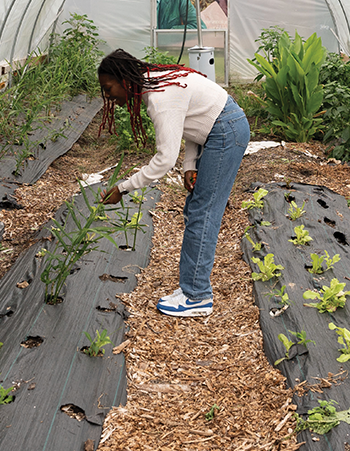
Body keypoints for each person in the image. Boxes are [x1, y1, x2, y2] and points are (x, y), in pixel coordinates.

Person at [97, 48, 249, 317]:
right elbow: (194, 119)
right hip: (219, 128)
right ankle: (191, 286)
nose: (107, 96)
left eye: (108, 88)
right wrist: (190, 165)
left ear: (124, 80)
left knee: (204, 212)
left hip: (225, 132)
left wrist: (123, 188)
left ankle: (197, 296)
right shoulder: (158, 80)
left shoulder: (159, 97)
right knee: (196, 210)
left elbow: (165, 159)